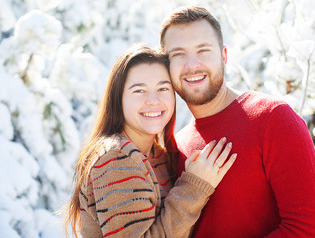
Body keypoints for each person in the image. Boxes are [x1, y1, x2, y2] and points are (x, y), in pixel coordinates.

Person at [160, 6, 315, 237]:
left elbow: (309, 230)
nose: (192, 65)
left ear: (224, 56)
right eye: (178, 54)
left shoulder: (273, 119)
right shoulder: (176, 146)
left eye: (203, 50)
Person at [62, 45, 237, 238]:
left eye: (163, 88)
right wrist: (195, 186)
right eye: (139, 91)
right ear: (118, 99)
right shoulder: (117, 157)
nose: (153, 100)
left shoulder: (156, 155)